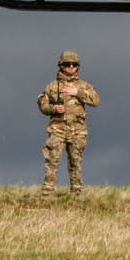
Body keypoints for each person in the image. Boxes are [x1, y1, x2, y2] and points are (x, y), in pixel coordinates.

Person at [37, 49, 99, 192]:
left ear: (77, 66)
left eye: (73, 64)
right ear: (61, 66)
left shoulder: (83, 86)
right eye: (67, 64)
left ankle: (76, 193)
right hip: (57, 130)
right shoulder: (52, 86)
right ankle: (47, 191)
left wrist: (78, 93)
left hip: (77, 131)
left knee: (75, 162)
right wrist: (53, 109)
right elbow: (42, 104)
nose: (70, 67)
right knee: (52, 160)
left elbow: (95, 100)